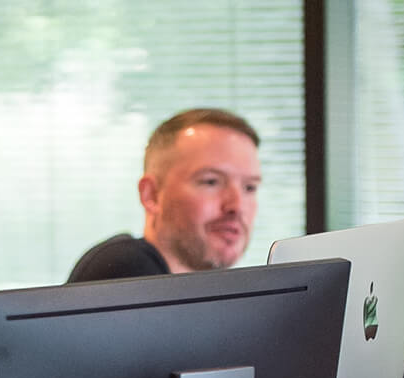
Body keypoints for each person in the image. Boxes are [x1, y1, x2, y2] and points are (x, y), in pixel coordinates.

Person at [67, 108, 262, 283]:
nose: (237, 206)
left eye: (250, 188)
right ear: (151, 195)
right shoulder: (124, 270)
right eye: (210, 182)